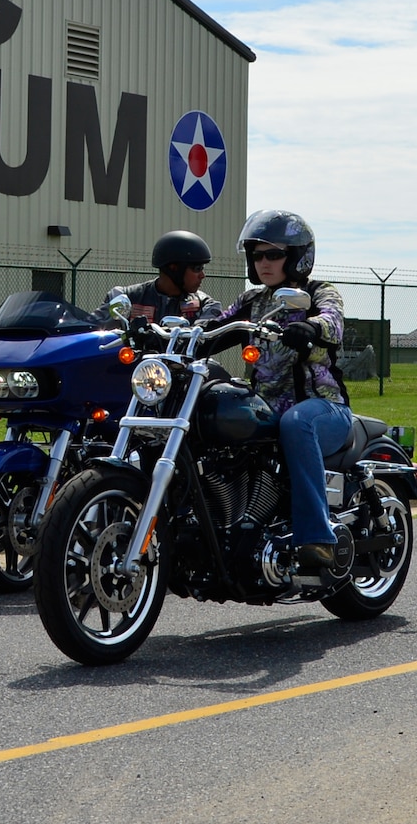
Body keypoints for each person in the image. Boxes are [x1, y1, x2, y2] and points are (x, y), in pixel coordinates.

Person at [196, 210, 349, 571]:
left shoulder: (317, 292)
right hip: (267, 407)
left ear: (296, 257)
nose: (263, 262)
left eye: (273, 254)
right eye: (257, 254)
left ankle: (317, 538)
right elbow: (218, 325)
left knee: (296, 423)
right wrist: (184, 333)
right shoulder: (253, 301)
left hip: (321, 408)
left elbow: (333, 320)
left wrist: (312, 328)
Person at [105, 231, 217, 324]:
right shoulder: (128, 297)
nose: (202, 275)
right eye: (197, 268)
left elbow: (211, 331)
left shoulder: (204, 304)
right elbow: (94, 326)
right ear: (174, 268)